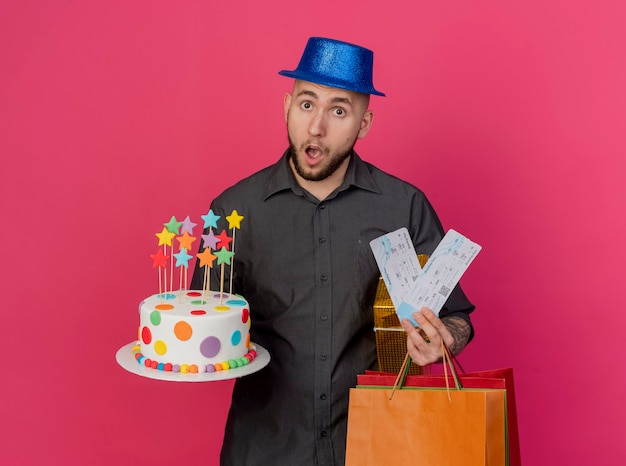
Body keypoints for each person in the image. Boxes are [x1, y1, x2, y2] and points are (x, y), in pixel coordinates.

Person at [190, 37, 475, 466]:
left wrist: (445, 339)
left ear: (364, 123)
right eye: (307, 105)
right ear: (287, 106)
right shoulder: (232, 211)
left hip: (376, 447)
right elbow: (200, 323)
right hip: (265, 449)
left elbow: (457, 317)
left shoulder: (404, 207)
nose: (317, 127)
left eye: (338, 111)